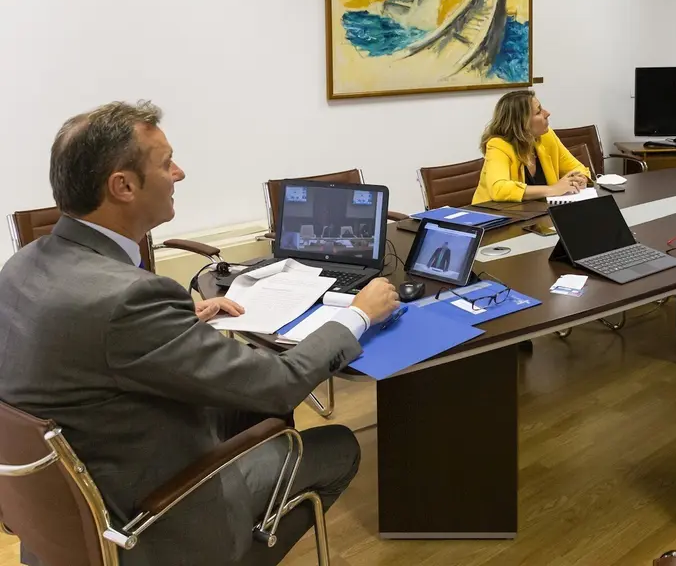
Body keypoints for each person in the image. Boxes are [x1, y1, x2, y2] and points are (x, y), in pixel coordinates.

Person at [0, 101, 401, 566]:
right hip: (146, 522)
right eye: (166, 163)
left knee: (249, 415)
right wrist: (357, 314)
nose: (180, 173)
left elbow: (89, 351)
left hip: (58, 515)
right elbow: (277, 384)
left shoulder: (21, 266)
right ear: (123, 185)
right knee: (337, 447)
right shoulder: (127, 299)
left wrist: (178, 326)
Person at [472, 90, 590, 204]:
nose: (547, 113)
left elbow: (577, 168)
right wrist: (552, 189)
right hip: (496, 218)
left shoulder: (546, 137)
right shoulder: (498, 145)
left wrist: (581, 178)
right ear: (521, 123)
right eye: (538, 112)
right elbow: (499, 189)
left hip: (538, 216)